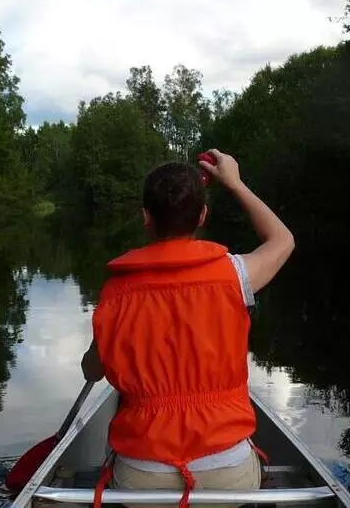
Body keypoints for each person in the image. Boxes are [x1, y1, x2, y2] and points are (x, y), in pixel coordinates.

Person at [81, 149, 295, 508]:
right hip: (227, 472)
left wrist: (97, 353)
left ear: (146, 217)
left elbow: (92, 370)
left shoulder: (116, 291)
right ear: (202, 215)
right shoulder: (235, 275)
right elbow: (283, 240)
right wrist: (235, 183)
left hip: (142, 476)